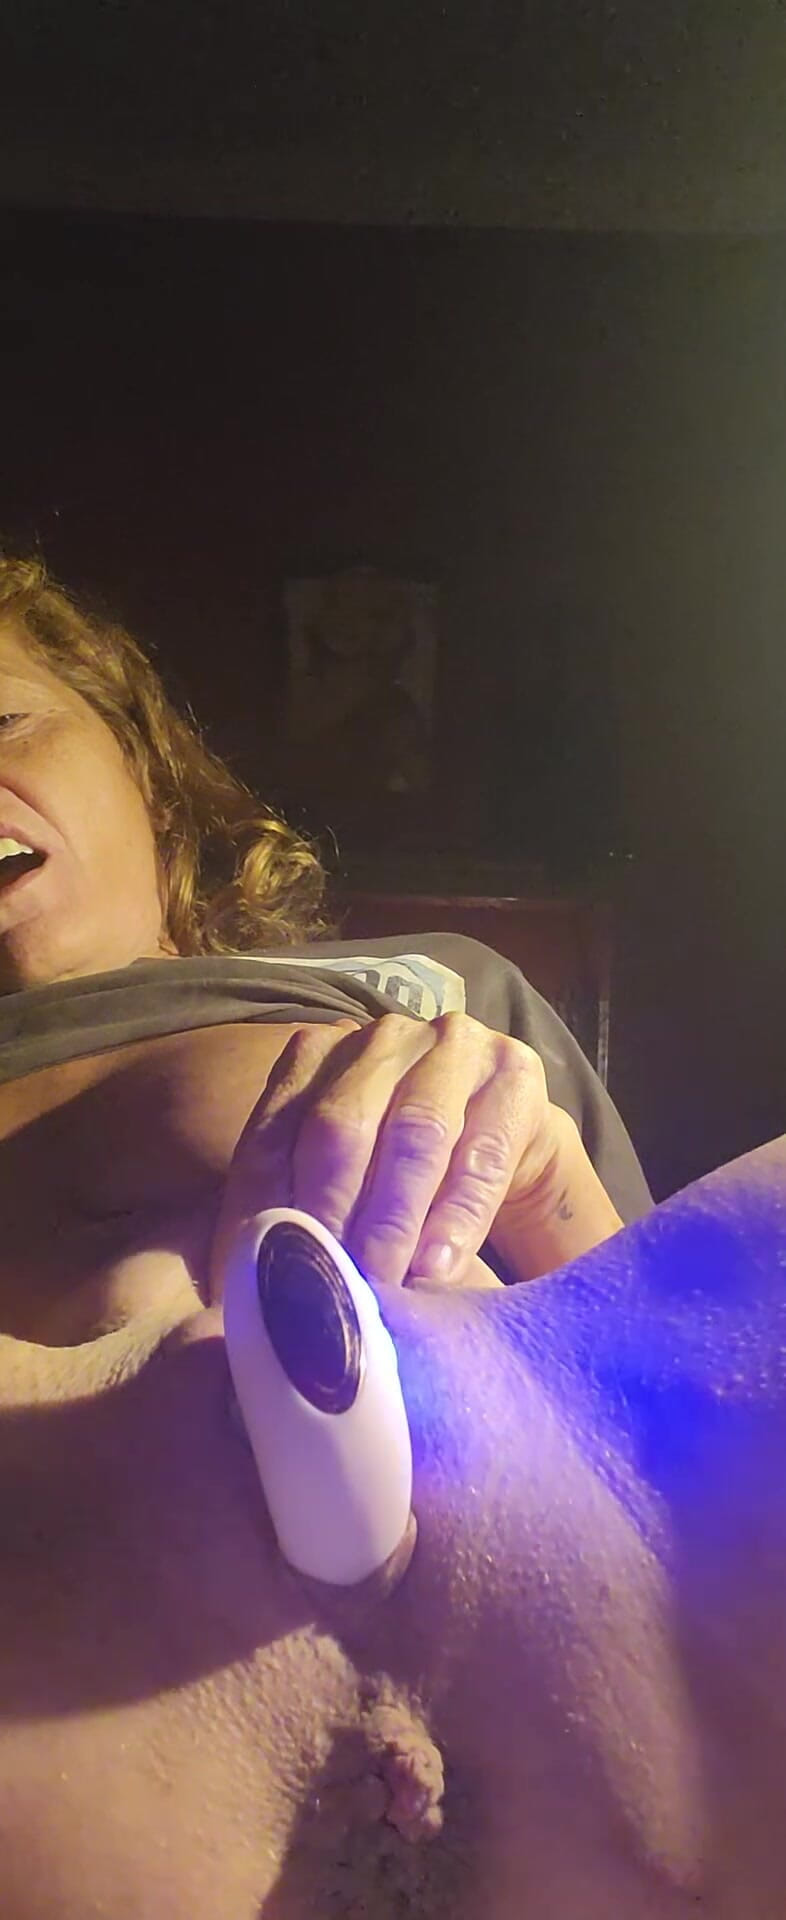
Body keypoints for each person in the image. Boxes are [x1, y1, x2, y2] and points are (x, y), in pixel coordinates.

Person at [5, 555, 783, 1915]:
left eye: (6, 723)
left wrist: (539, 1180)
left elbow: (654, 1374)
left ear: (146, 774)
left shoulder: (423, 989)